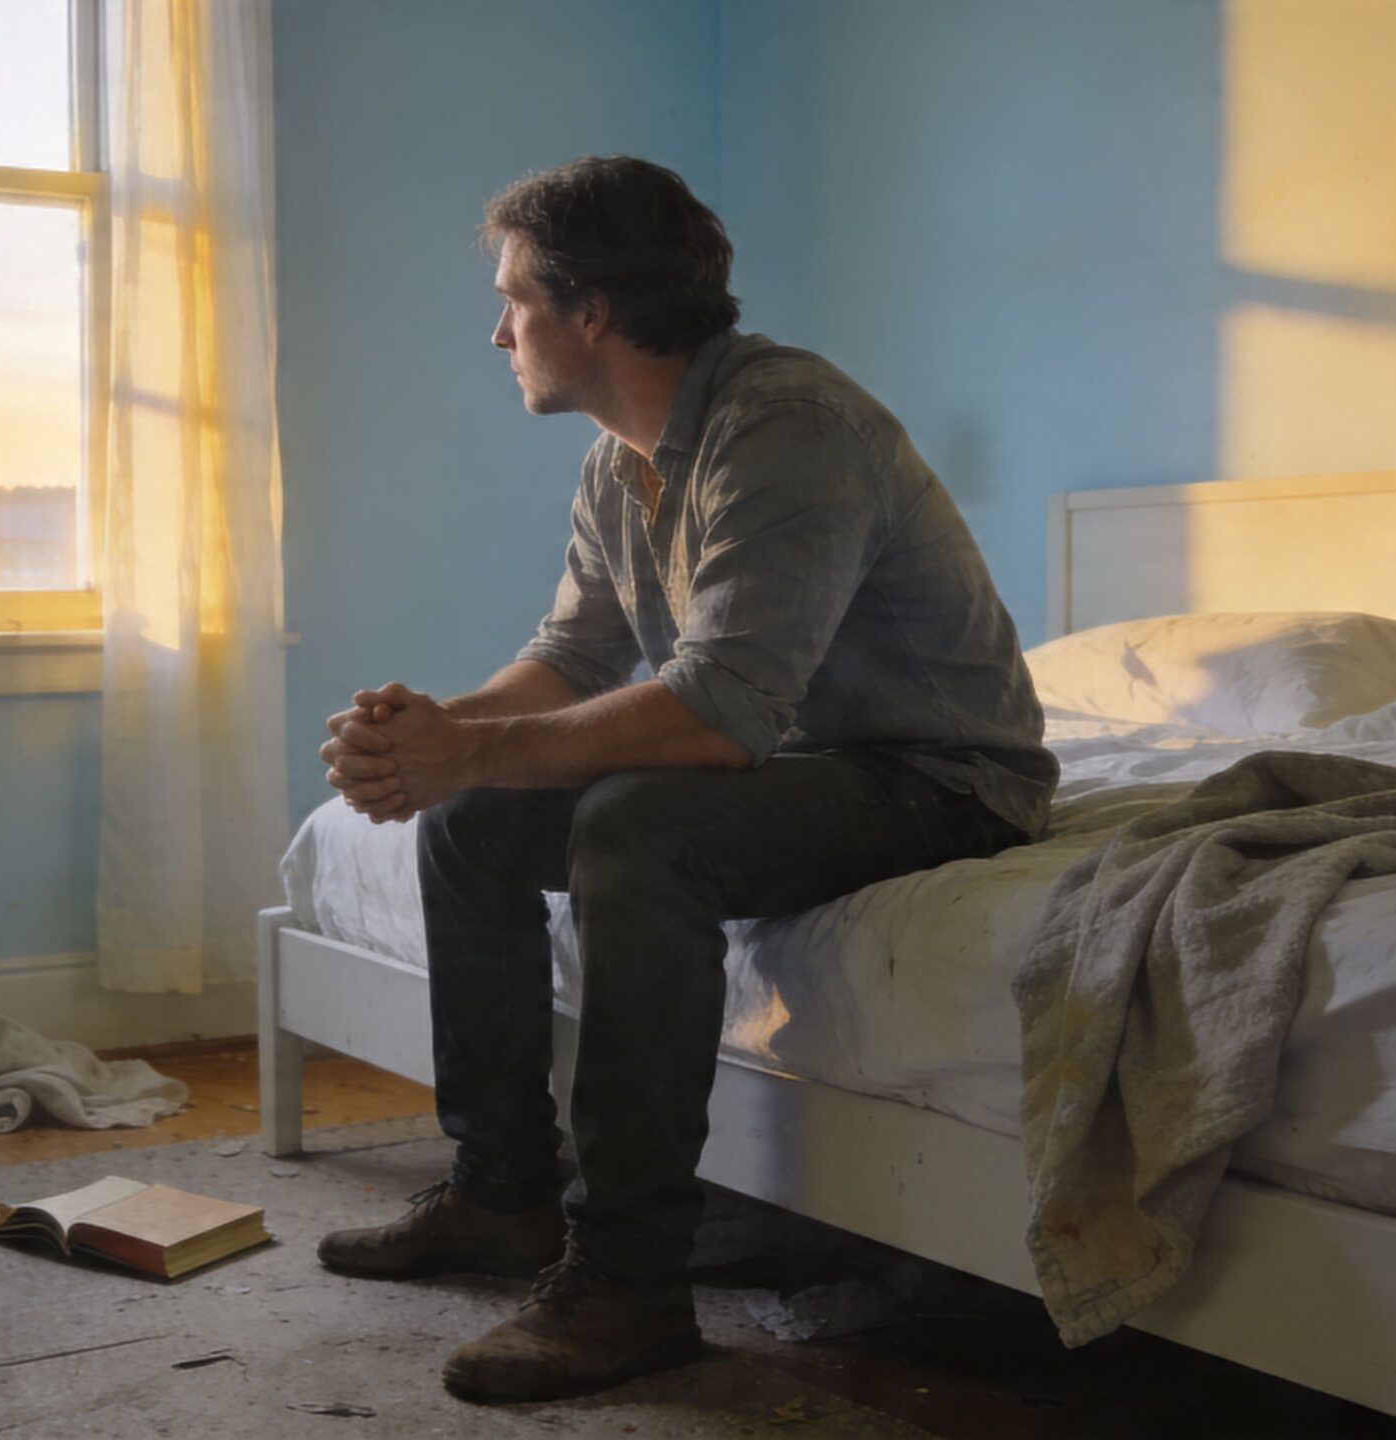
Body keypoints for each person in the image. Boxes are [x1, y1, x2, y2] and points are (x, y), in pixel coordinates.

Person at [312, 155, 1058, 1404]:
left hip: (937, 776)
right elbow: (569, 658)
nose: (497, 331)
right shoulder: (621, 459)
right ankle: (500, 1193)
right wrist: (431, 736)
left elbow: (717, 711)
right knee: (475, 822)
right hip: (797, 763)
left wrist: (460, 748)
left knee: (637, 826)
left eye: (513, 300)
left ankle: (629, 1283)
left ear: (591, 311)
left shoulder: (790, 428)